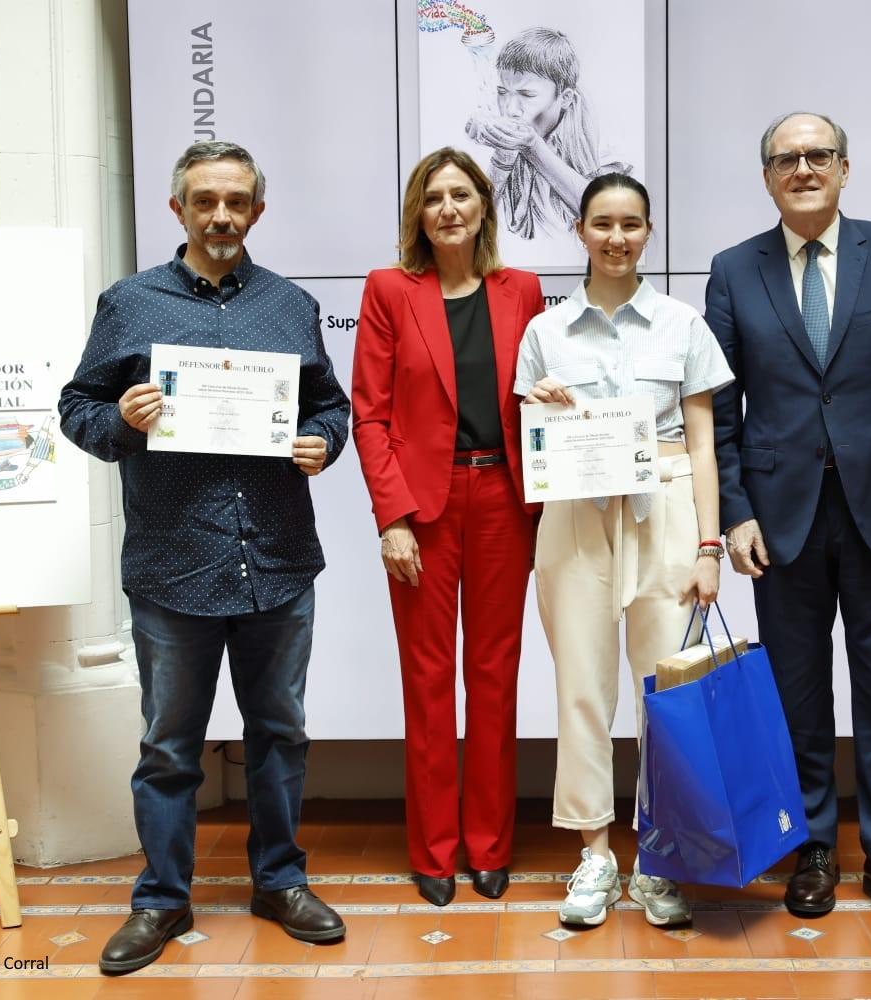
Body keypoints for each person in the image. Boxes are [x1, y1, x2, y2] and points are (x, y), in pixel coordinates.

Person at [58, 140, 351, 975]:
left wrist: (320, 443)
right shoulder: (130, 303)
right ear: (177, 208)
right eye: (204, 200)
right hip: (173, 563)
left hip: (278, 559)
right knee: (169, 745)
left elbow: (332, 406)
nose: (220, 215)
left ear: (257, 210)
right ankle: (160, 899)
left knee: (280, 734)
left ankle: (279, 882)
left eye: (236, 201)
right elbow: (76, 409)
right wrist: (122, 418)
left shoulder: (290, 305)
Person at [706, 112, 871, 935]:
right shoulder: (734, 270)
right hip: (781, 518)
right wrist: (734, 512)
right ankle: (814, 845)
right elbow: (724, 415)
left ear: (845, 168)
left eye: (819, 156)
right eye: (787, 158)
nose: (804, 168)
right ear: (768, 175)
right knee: (796, 690)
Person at [517, 173, 733, 929]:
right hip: (575, 517)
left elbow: (705, 445)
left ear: (648, 232)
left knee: (665, 698)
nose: (617, 237)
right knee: (581, 689)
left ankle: (659, 858)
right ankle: (594, 856)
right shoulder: (546, 332)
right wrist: (543, 413)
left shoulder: (683, 325)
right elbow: (531, 446)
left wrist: (709, 545)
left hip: (667, 509)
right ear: (579, 230)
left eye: (631, 224)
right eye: (602, 223)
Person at [351, 147, 544, 907]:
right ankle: (434, 850)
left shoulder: (521, 289)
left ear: (485, 206)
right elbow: (370, 413)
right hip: (423, 512)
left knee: (495, 677)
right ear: (417, 214)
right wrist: (392, 516)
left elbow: (538, 392)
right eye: (434, 198)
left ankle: (489, 845)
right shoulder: (389, 291)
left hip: (504, 499)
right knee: (428, 681)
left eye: (462, 194)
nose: (449, 208)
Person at [465, 27, 628, 239]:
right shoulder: (507, 128)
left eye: (527, 94)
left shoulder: (602, 140)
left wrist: (533, 147)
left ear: (565, 98)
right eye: (503, 92)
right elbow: (474, 230)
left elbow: (605, 214)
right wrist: (503, 157)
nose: (510, 109)